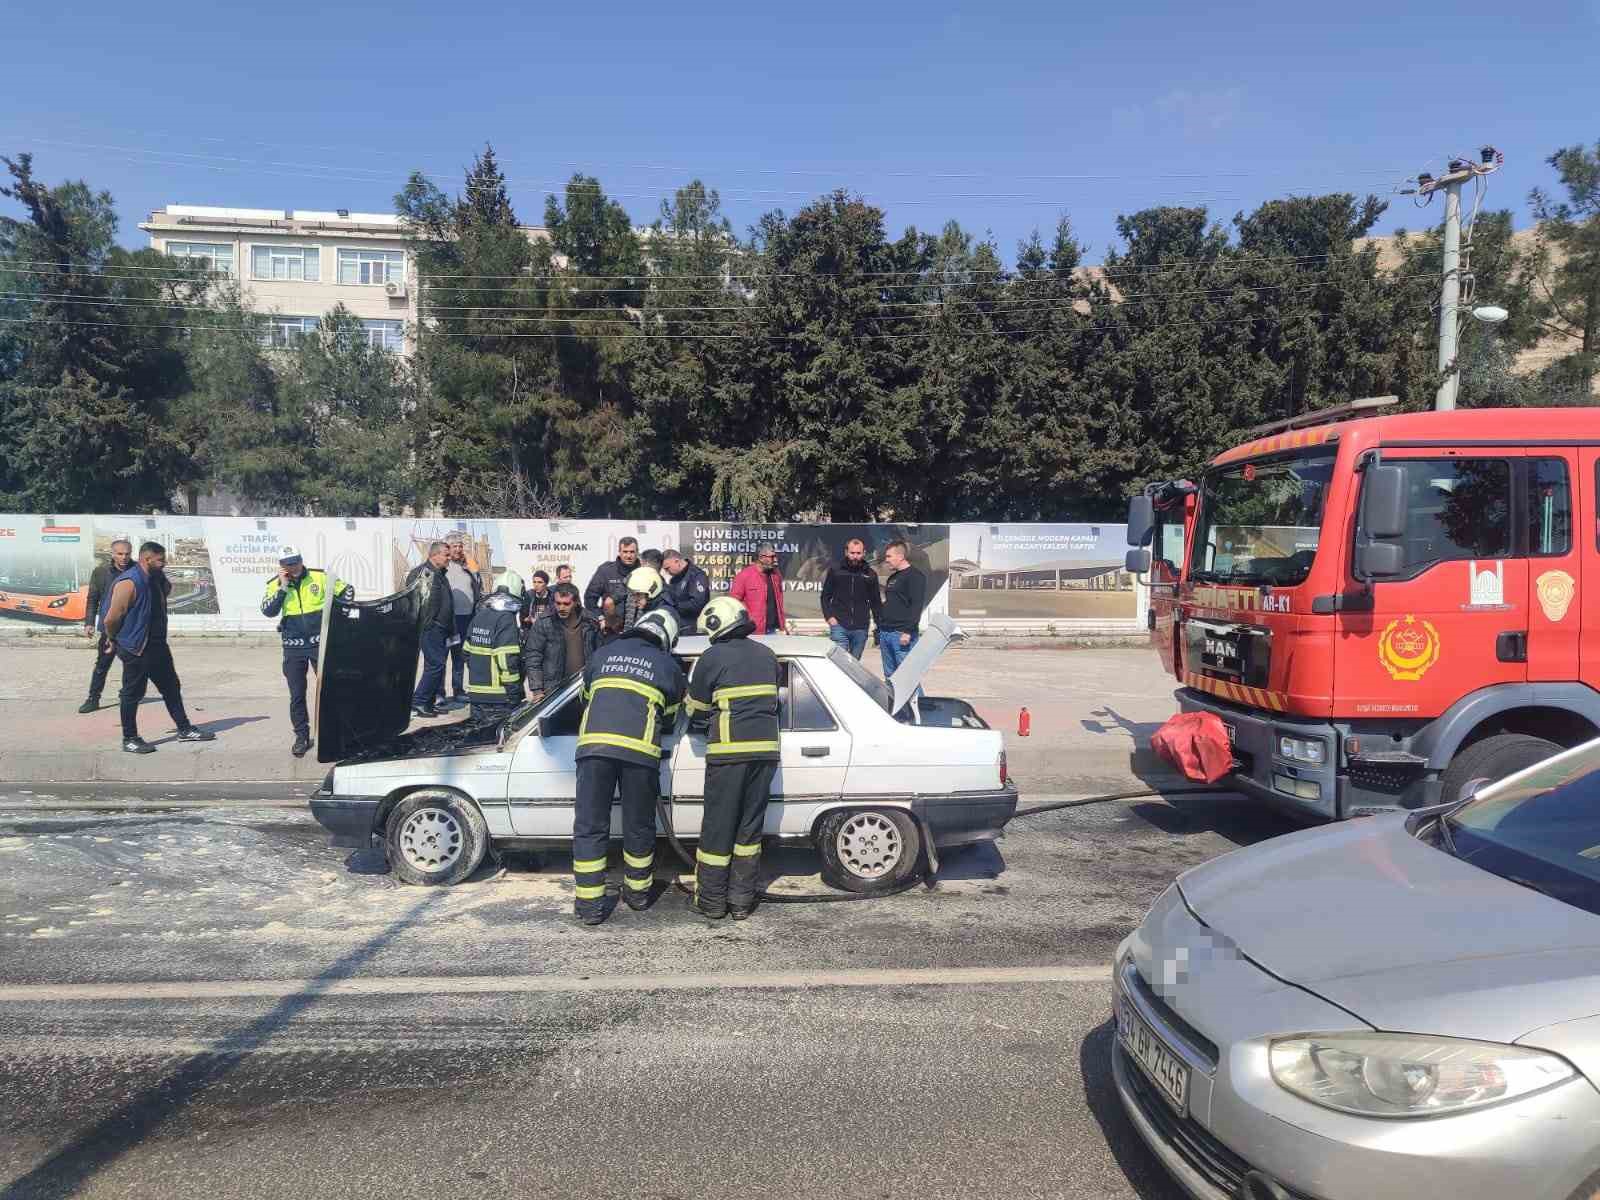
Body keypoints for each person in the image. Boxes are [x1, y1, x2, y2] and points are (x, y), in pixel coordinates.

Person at [570, 608, 685, 926]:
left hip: (593, 750)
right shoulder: (668, 665)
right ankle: (637, 896)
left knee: (591, 826)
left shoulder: (603, 653)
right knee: (638, 825)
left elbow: (585, 696)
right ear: (666, 638)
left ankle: (591, 906)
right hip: (639, 752)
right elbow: (672, 717)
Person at [685, 596, 780, 921]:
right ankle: (741, 902)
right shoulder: (768, 654)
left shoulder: (712, 657)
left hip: (728, 755)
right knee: (749, 830)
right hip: (766, 754)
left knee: (718, 829)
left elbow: (695, 710)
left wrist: (700, 720)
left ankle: (711, 902)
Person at [100, 542, 216, 754]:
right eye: (160, 560)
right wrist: (112, 638)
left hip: (157, 645)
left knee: (171, 687)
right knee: (131, 694)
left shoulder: (155, 577)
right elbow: (111, 618)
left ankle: (184, 729)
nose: (164, 564)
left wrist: (161, 577)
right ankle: (130, 738)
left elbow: (167, 592)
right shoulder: (129, 583)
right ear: (147, 559)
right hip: (136, 648)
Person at [260, 546, 352, 758]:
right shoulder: (275, 584)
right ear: (281, 566)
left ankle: (335, 734)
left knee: (329, 691)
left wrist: (339, 616)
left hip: (320, 644)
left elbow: (347, 590)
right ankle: (301, 736)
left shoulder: (320, 577)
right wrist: (283, 588)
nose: (292, 567)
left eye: (295, 562)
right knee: (297, 695)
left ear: (301, 560)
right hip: (293, 648)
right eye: (287, 564)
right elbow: (268, 611)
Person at [78, 538, 132, 713]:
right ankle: (93, 699)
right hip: (109, 629)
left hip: (131, 630)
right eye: (120, 554)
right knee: (102, 665)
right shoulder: (101, 573)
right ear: (112, 554)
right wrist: (89, 623)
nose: (124, 557)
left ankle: (127, 696)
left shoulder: (138, 571)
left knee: (132, 666)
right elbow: (93, 598)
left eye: (127, 554)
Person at [523, 582, 600, 703]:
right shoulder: (544, 622)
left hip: (584, 688)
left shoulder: (590, 622)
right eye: (558, 603)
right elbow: (533, 655)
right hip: (554, 690)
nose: (561, 608)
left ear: (576, 602)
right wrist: (537, 690)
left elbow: (599, 655)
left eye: (566, 604)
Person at [464, 582, 527, 722]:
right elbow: (506, 659)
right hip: (499, 697)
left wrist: (480, 672)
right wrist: (514, 692)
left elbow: (466, 652)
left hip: (476, 694)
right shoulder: (506, 618)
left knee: (478, 741)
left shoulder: (479, 616)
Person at [407, 542, 454, 719]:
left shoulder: (439, 573)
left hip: (440, 628)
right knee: (436, 665)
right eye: (446, 555)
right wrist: (429, 624)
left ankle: (428, 702)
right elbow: (420, 602)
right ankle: (419, 701)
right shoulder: (424, 573)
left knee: (434, 666)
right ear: (435, 555)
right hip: (430, 628)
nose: (449, 558)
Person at [878, 540, 928, 707]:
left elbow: (916, 606)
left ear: (900, 556)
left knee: (907, 676)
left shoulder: (915, 576)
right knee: (890, 675)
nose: (887, 560)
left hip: (902, 635)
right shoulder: (893, 577)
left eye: (889, 556)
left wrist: (908, 631)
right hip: (886, 633)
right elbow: (891, 603)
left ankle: (921, 709)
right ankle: (896, 708)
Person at [820, 537, 882, 660]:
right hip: (839, 624)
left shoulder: (870, 574)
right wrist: (829, 617)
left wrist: (878, 624)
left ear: (864, 553)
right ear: (846, 552)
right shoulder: (835, 570)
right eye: (852, 553)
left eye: (858, 553)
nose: (855, 556)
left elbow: (875, 602)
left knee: (854, 664)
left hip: (861, 627)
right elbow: (825, 597)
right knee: (839, 662)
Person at [441, 537, 484, 708]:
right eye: (455, 546)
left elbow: (478, 584)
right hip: (449, 619)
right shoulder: (444, 568)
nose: (458, 549)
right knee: (443, 657)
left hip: (466, 618)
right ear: (448, 549)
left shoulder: (467, 567)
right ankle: (439, 693)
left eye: (460, 546)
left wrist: (472, 568)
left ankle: (458, 690)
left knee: (459, 657)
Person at [728, 543, 790, 635]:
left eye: (775, 556)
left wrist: (783, 625)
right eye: (772, 557)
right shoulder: (744, 576)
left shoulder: (776, 575)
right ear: (761, 557)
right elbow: (734, 601)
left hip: (773, 630)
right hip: (752, 632)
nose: (775, 560)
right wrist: (750, 618)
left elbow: (779, 602)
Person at [583, 537, 640, 620]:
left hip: (639, 625)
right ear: (619, 552)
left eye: (632, 552)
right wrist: (600, 617)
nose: (628, 556)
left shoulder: (645, 571)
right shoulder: (605, 570)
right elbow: (589, 599)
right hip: (612, 627)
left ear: (637, 552)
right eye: (625, 552)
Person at [661, 549, 710, 627]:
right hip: (677, 624)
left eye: (667, 568)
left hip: (694, 627)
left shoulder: (696, 575)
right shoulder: (674, 578)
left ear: (677, 561)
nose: (667, 572)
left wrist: (674, 606)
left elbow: (698, 603)